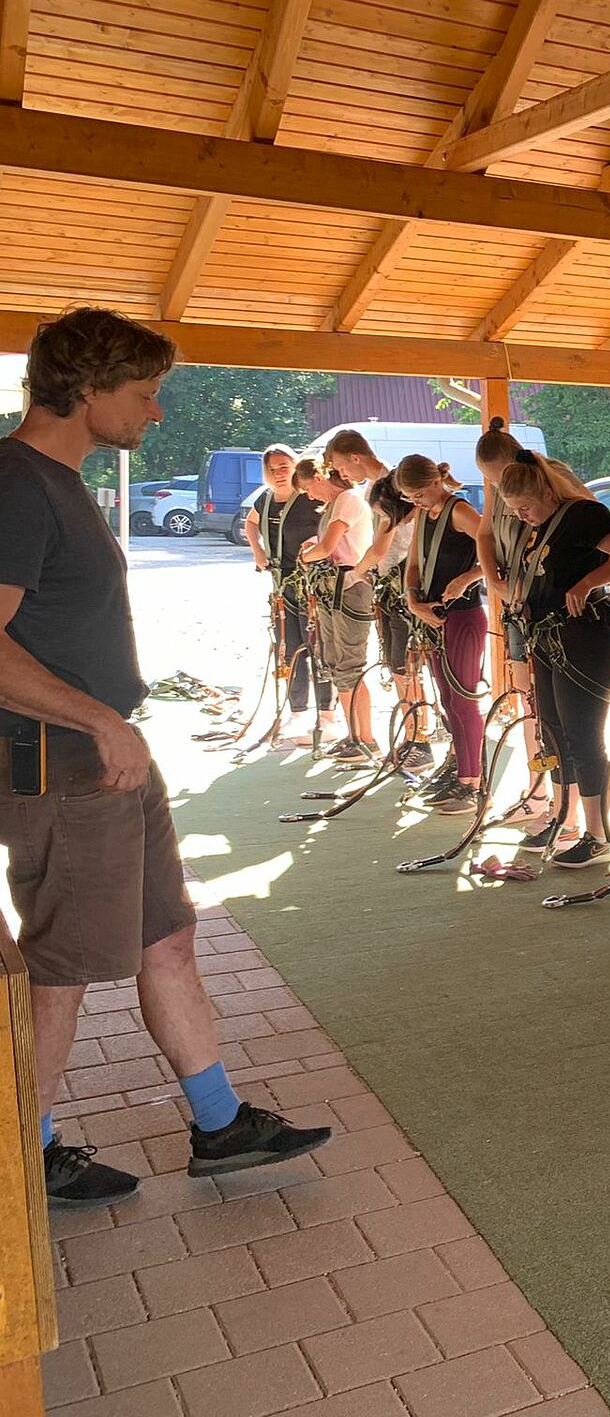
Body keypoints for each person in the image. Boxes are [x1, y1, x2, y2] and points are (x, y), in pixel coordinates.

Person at [0, 307, 329, 1208]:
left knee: (167, 939)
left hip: (105, 752)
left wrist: (117, 727)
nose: (154, 414)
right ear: (86, 389)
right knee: (62, 970)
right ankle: (20, 1155)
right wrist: (99, 724)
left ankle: (220, 1125)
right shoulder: (16, 482)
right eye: (143, 395)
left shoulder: (56, 479)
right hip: (61, 763)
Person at [497, 450, 610, 868]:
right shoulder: (539, 526)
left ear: (545, 492)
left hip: (586, 635)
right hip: (547, 638)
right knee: (553, 733)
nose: (521, 517)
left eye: (524, 508)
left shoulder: (584, 514)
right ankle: (565, 817)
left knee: (583, 733)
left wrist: (589, 582)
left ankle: (598, 833)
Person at [474, 418, 590, 832]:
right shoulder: (500, 488)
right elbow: (485, 535)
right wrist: (496, 581)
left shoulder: (553, 477)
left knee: (558, 712)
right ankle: (538, 790)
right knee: (530, 704)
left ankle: (568, 809)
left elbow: (594, 524)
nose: (500, 489)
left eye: (502, 478)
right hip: (518, 605)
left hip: (550, 610)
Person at [327, 431, 432, 777]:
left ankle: (420, 740)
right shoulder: (377, 488)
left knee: (405, 665)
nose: (342, 475)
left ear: (356, 457)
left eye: (341, 466)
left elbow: (383, 545)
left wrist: (357, 573)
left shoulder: (387, 487)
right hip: (390, 581)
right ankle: (412, 737)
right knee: (397, 664)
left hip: (402, 579)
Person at [395, 456, 489, 816]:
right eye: (410, 496)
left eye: (418, 493)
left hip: (463, 616)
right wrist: (413, 600)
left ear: (435, 482)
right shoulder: (423, 514)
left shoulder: (460, 511)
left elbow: (497, 556)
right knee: (448, 700)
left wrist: (467, 578)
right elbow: (414, 563)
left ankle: (473, 780)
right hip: (433, 618)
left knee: (465, 699)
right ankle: (459, 769)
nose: (415, 501)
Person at [243, 443, 332, 746]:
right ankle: (298, 711)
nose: (279, 474)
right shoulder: (265, 499)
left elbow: (332, 527)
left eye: (284, 467)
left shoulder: (309, 498)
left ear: (294, 466)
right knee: (289, 648)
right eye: (272, 469)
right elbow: (250, 524)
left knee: (317, 646)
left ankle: (327, 712)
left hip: (311, 586)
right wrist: (258, 552)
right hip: (281, 587)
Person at [297, 461, 378, 763]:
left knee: (349, 663)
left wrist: (306, 555)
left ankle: (366, 738)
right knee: (336, 662)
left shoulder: (348, 499)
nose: (309, 496)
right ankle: (354, 734)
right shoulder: (335, 504)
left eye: (307, 488)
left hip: (350, 587)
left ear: (318, 477)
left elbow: (329, 546)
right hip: (334, 588)